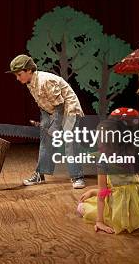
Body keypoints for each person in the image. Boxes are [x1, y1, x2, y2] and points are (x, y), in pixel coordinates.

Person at [7, 54, 86, 189]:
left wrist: (55, 126)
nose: (17, 78)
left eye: (19, 74)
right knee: (45, 141)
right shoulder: (29, 83)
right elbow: (43, 104)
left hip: (69, 110)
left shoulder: (45, 80)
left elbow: (60, 105)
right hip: (53, 111)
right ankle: (40, 174)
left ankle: (77, 177)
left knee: (70, 143)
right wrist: (45, 125)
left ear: (29, 70)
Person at [77, 118, 139, 234]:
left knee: (82, 208)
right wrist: (94, 191)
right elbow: (134, 181)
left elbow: (103, 192)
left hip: (119, 207)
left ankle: (107, 218)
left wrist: (99, 221)